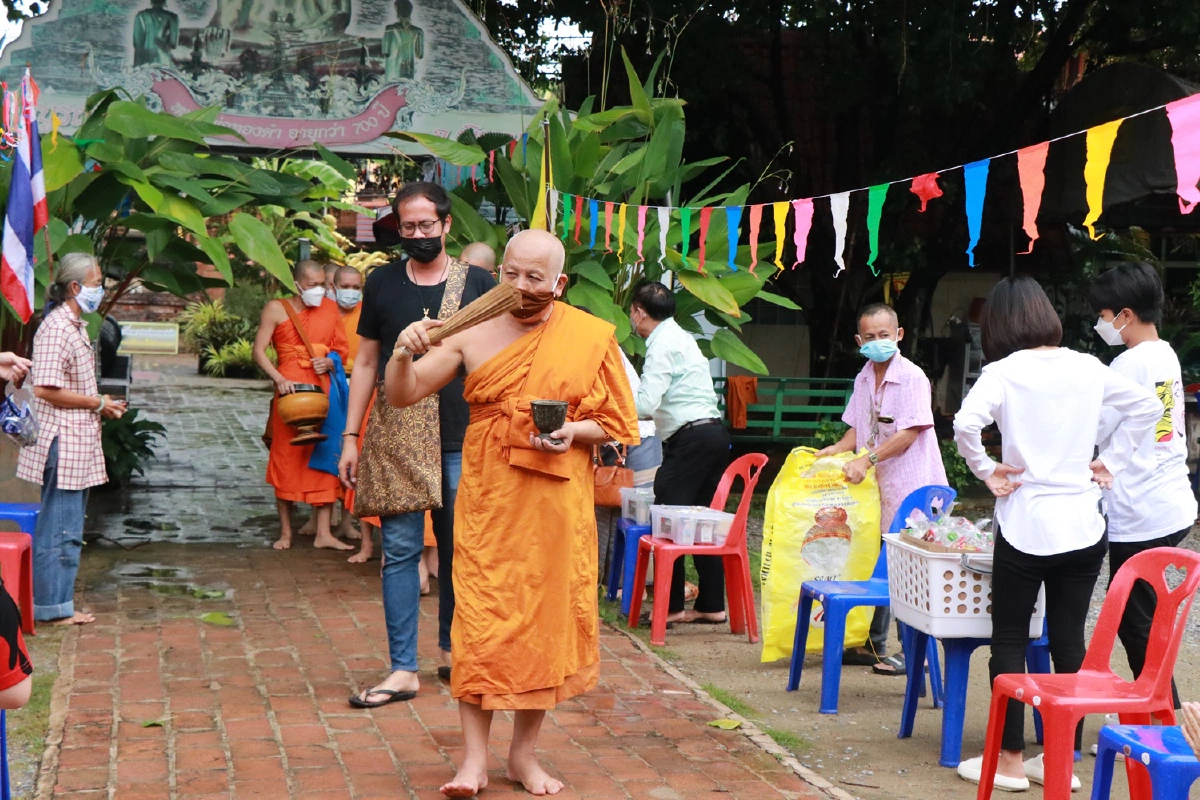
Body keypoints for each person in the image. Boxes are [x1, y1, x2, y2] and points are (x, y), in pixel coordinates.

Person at [386, 228, 638, 796]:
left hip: (555, 504)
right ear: (498, 271)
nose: (520, 287)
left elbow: (618, 424)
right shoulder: (469, 326)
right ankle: (472, 763)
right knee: (479, 623)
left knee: (542, 628)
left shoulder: (588, 335)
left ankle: (523, 756)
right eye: (511, 274)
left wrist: (571, 430)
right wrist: (403, 353)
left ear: (560, 283)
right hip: (488, 503)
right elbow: (403, 394)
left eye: (535, 278)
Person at [953, 276, 1160, 792]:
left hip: (1026, 522)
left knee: (1010, 640)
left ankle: (1009, 760)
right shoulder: (1088, 366)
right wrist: (1109, 461)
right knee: (1069, 639)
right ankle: (1060, 757)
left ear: (997, 325)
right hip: (1084, 524)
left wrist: (988, 471)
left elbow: (964, 424)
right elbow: (1148, 409)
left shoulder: (1001, 371)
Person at [338, 182, 494, 706]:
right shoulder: (381, 283)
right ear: (399, 229)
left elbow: (499, 360)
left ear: (447, 225)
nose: (420, 235)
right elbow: (365, 363)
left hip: (464, 438)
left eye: (428, 225)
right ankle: (403, 668)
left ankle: (455, 653)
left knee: (460, 552)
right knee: (401, 551)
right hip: (396, 436)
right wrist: (350, 436)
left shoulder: (478, 283)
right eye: (409, 227)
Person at [815, 303, 947, 676]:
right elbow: (857, 426)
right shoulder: (863, 377)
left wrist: (866, 460)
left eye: (884, 336)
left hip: (915, 487)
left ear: (899, 335)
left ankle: (915, 653)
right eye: (870, 337)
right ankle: (872, 644)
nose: (877, 343)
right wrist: (837, 450)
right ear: (859, 341)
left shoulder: (913, 377)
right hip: (881, 488)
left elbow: (909, 432)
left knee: (911, 570)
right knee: (881, 563)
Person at [1088, 263, 1196, 718]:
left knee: (1134, 621)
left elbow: (1099, 427)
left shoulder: (1127, 363)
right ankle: (1155, 710)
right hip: (1173, 503)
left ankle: (1161, 717)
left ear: (1125, 314)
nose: (1100, 323)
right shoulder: (1165, 354)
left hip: (1141, 509)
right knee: (1143, 616)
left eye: (1104, 313)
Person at [17, 253, 126, 625]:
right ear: (76, 287)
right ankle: (52, 608)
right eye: (97, 282)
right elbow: (45, 390)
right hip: (62, 442)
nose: (101, 289)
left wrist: (101, 406)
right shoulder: (57, 327)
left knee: (67, 526)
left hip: (75, 440)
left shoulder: (73, 325)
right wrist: (97, 402)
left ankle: (56, 603)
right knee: (60, 528)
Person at [629, 281, 729, 625]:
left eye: (631, 311)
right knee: (702, 521)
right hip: (712, 433)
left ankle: (670, 607)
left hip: (690, 439)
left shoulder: (661, 345)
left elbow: (645, 404)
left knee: (666, 516)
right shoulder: (681, 336)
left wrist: (610, 407)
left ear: (639, 312)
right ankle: (712, 604)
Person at [252, 260, 351, 552]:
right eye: (312, 285)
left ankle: (324, 532)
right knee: (285, 458)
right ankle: (286, 532)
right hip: (290, 393)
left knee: (322, 456)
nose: (319, 290)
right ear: (296, 284)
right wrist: (279, 378)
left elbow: (341, 351)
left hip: (322, 389)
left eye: (323, 283)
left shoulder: (331, 309)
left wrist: (330, 360)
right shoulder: (276, 308)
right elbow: (258, 351)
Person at [381, 0, 424, 82]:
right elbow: (420, 55)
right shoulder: (418, 32)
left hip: (392, 74)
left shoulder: (390, 29)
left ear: (397, 11)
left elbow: (385, 51)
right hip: (409, 73)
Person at [132, 0, 179, 66]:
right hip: (163, 60)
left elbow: (137, 42)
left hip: (143, 62)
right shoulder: (173, 17)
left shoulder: (140, 16)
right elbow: (173, 44)